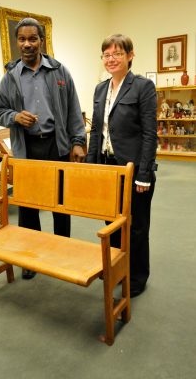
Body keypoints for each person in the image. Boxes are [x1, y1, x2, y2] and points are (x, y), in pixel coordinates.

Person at [0, 18, 86, 279]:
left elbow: (72, 111)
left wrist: (77, 142)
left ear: (41, 41)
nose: (27, 44)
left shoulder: (59, 72)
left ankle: (63, 253)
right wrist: (14, 117)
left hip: (56, 146)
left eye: (32, 39)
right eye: (21, 39)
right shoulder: (10, 76)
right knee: (28, 206)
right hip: (27, 148)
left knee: (60, 203)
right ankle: (30, 259)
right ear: (17, 42)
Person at [86, 34, 157, 298]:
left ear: (130, 55)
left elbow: (150, 134)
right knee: (112, 223)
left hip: (133, 170)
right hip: (107, 168)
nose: (111, 59)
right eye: (106, 54)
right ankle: (118, 266)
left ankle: (138, 277)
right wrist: (92, 169)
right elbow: (95, 131)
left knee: (136, 226)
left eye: (117, 53)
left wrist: (144, 174)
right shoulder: (100, 89)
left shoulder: (143, 87)